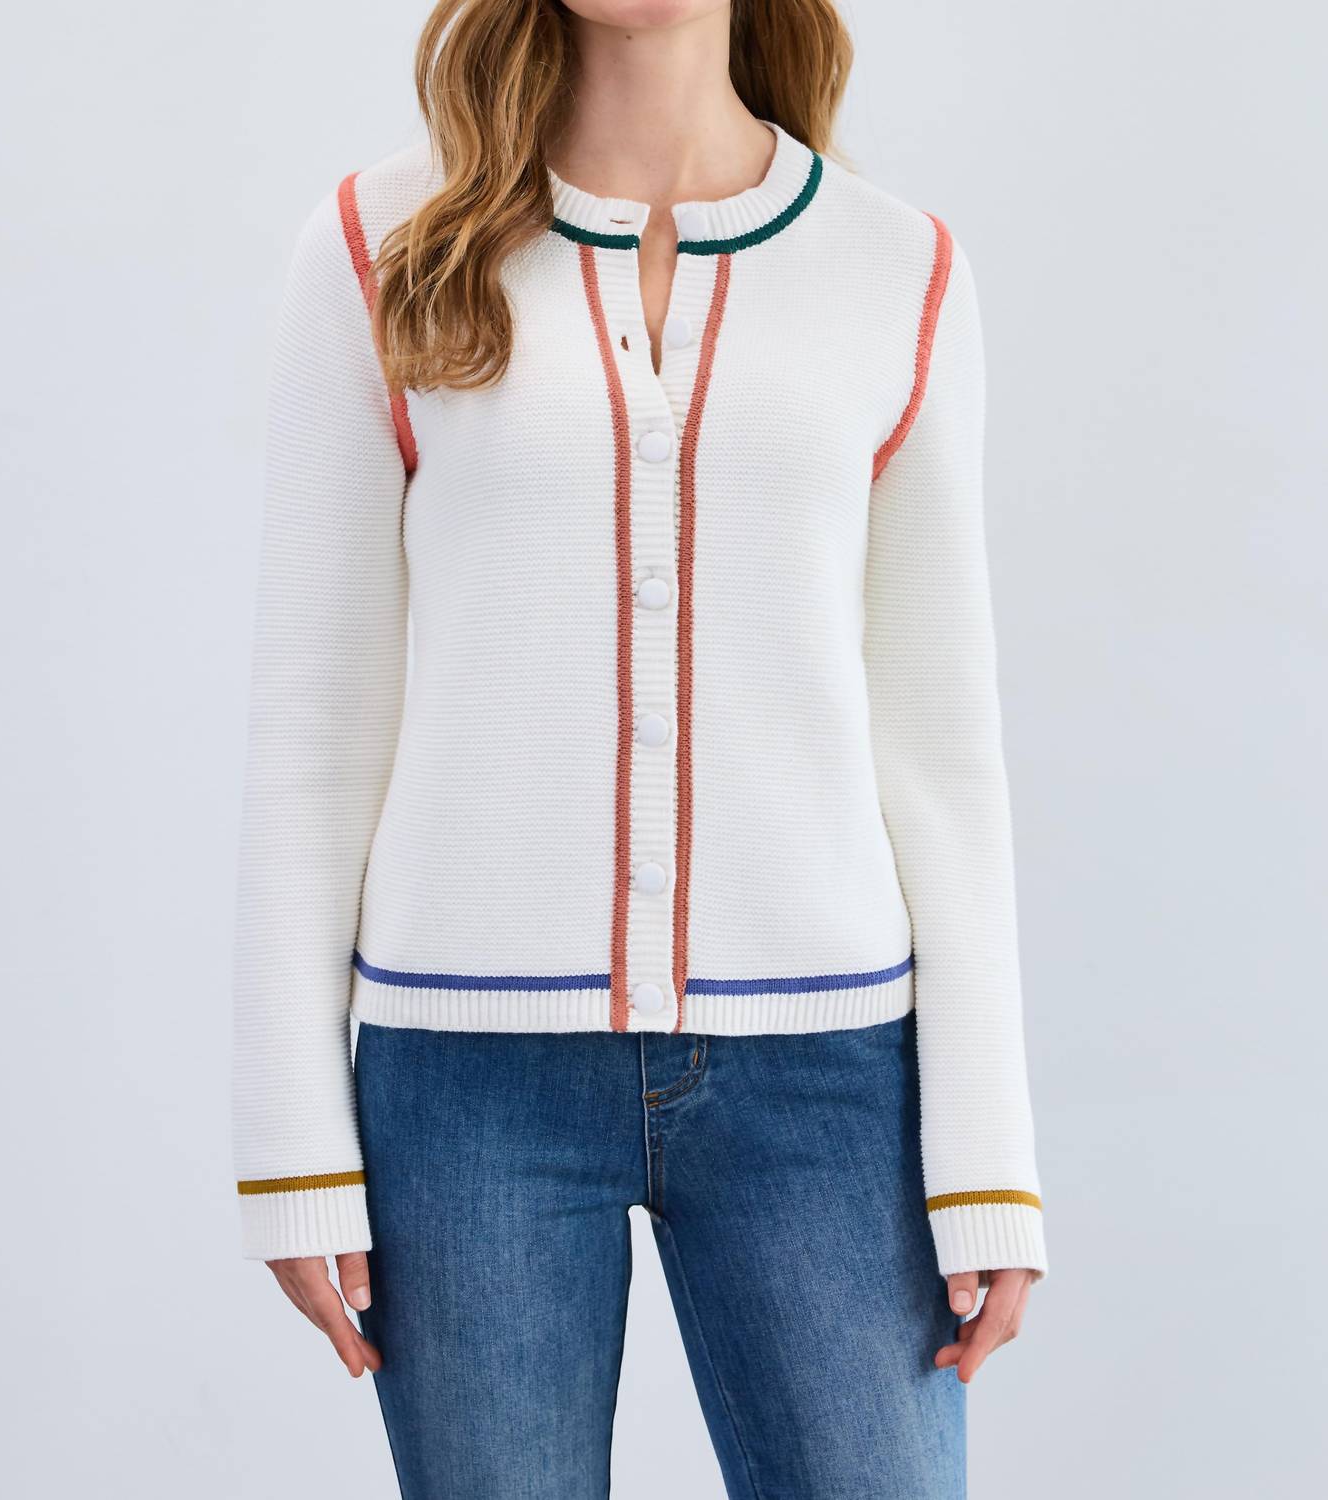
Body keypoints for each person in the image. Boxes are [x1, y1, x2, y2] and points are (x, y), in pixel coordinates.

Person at [230, 1, 1047, 1493]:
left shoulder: (899, 269)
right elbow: (316, 716)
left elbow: (940, 742)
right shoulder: (378, 243)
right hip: (464, 1084)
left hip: (830, 1079)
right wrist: (293, 1138)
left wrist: (990, 1162)